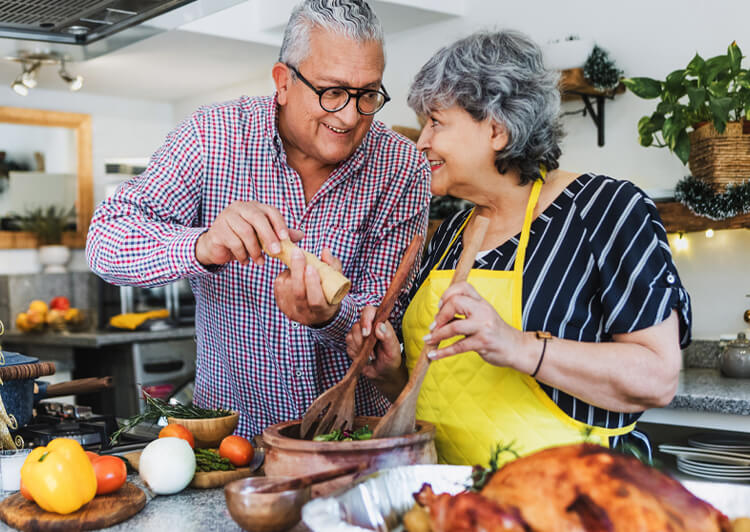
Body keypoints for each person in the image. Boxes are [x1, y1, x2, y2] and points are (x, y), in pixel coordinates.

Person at [86, 0, 430, 437]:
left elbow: (386, 320)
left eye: (367, 95)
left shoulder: (401, 167)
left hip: (353, 437)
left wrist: (329, 318)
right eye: (333, 92)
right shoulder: (212, 137)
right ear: (283, 82)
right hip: (230, 443)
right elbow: (105, 241)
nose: (348, 115)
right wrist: (202, 245)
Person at [347, 30, 690, 466]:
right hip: (452, 499)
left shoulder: (606, 210)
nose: (423, 142)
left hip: (571, 498)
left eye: (436, 122)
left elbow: (658, 377)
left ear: (496, 128)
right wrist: (392, 372)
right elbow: (442, 394)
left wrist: (519, 347)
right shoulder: (452, 233)